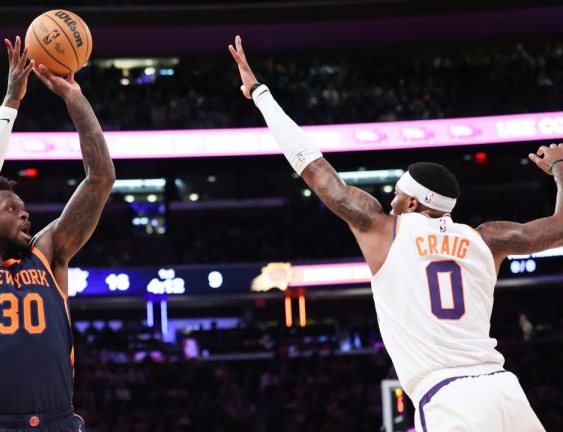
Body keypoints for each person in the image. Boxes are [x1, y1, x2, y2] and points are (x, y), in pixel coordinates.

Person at [229, 35, 560, 431]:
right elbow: (558, 228)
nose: (391, 202)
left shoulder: (386, 229)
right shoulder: (488, 239)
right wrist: (560, 170)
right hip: (506, 392)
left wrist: (260, 94)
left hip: (448, 397)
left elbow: (315, 169)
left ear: (415, 203)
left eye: (397, 196)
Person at [0, 36, 115, 432]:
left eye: (24, 208)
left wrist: (75, 99)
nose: (26, 214)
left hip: (60, 422)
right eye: (12, 209)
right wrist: (11, 102)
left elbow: (101, 178)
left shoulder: (49, 252)